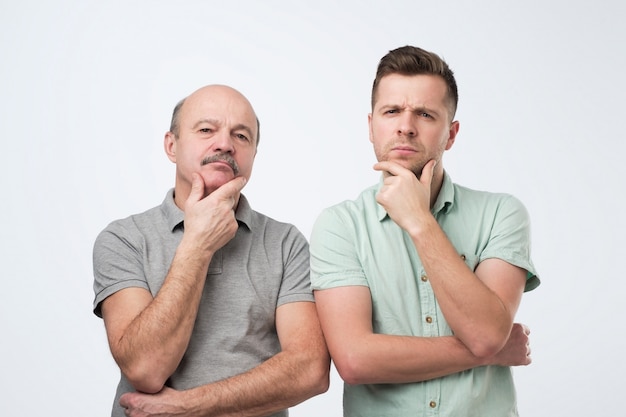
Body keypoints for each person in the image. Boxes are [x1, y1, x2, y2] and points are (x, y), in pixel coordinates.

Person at [309, 45, 540, 416]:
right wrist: (487, 353)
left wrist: (420, 222)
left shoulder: (501, 214)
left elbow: (484, 334)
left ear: (451, 133)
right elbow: (354, 361)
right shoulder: (340, 226)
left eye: (425, 114)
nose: (405, 125)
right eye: (392, 111)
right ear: (371, 127)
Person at [92, 84, 330, 417]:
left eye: (242, 136)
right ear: (171, 145)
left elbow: (310, 371)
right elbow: (145, 368)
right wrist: (197, 244)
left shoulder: (285, 243)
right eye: (206, 130)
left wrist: (187, 406)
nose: (225, 144)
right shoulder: (124, 239)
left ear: (254, 156)